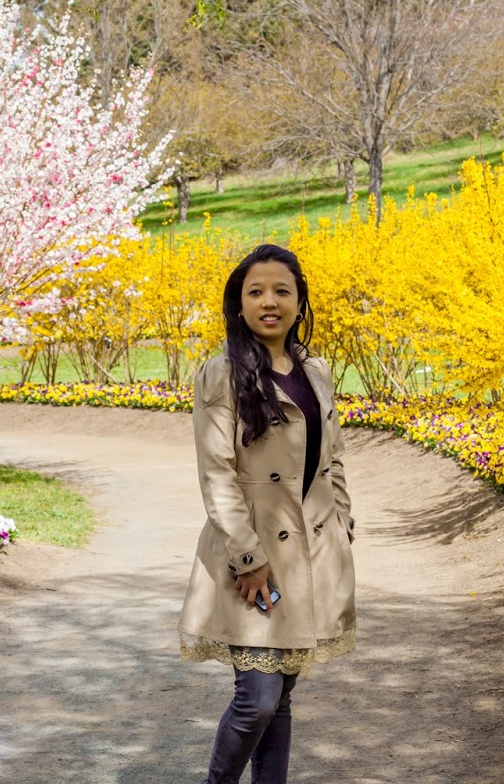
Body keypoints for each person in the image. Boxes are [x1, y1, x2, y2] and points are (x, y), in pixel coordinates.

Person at [180, 243, 358, 784]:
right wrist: (248, 557)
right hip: (252, 556)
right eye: (255, 292)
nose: (269, 302)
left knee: (279, 696)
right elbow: (218, 474)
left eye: (282, 290)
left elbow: (333, 458)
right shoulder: (221, 375)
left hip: (310, 553)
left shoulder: (317, 371)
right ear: (238, 306)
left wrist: (343, 523)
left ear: (300, 301)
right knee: (256, 698)